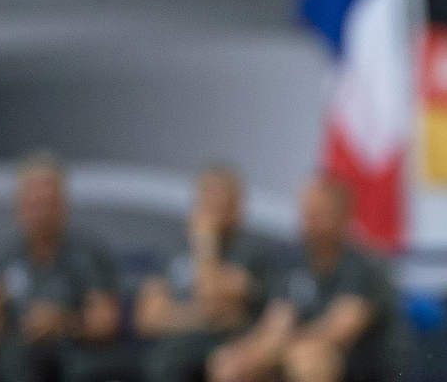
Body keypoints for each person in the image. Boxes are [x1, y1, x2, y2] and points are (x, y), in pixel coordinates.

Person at [207, 176, 409, 382]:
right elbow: (277, 322)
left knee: (307, 359)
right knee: (230, 362)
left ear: (343, 217)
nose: (309, 222)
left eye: (318, 214)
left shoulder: (363, 267)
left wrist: (276, 348)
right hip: (295, 348)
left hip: (361, 366)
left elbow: (338, 332)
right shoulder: (293, 261)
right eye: (306, 213)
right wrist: (247, 353)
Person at [0, 153, 137, 382]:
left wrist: (63, 323)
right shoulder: (5, 257)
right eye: (33, 204)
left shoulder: (88, 253)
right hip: (15, 356)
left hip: (74, 354)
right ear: (19, 207)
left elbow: (105, 322)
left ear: (63, 206)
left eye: (47, 203)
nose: (40, 214)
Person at [136, 164, 274, 382]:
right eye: (207, 198)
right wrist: (199, 318)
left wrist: (205, 241)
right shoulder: (173, 249)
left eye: (221, 200)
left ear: (237, 208)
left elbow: (211, 299)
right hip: (170, 354)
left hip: (226, 348)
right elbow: (148, 319)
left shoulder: (253, 253)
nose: (212, 206)